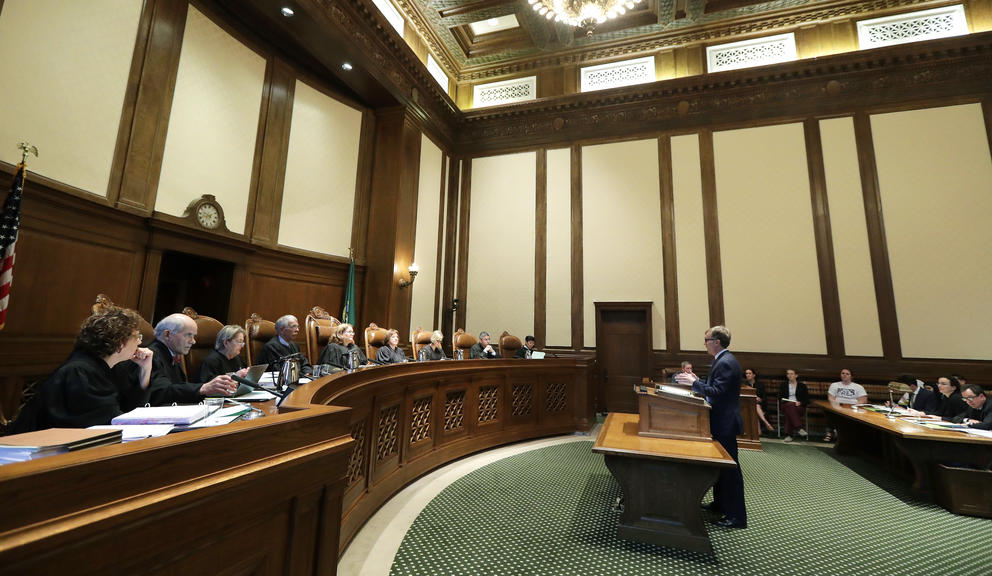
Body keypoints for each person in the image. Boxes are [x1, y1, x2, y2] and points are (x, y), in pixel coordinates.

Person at [11, 306, 154, 432]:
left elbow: (130, 411)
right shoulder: (80, 371)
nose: (140, 342)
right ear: (120, 343)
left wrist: (145, 370)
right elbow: (106, 423)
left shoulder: (109, 367)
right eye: (137, 337)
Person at [675, 325, 747, 529]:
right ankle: (720, 504)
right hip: (720, 421)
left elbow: (717, 392)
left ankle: (736, 517)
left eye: (706, 340)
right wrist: (697, 380)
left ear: (717, 342)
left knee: (731, 471)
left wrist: (694, 383)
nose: (704, 343)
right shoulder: (722, 360)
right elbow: (715, 386)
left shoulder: (726, 362)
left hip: (724, 423)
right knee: (720, 468)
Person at [148, 314, 236, 405]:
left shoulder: (171, 353)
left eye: (193, 336)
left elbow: (179, 389)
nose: (193, 341)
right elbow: (161, 392)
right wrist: (203, 388)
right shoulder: (151, 356)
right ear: (167, 334)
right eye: (188, 335)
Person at [197, 324, 251, 395]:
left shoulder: (237, 358)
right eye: (239, 341)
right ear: (226, 343)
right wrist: (235, 377)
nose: (242, 345)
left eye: (242, 342)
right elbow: (209, 389)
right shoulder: (211, 361)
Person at [825, 368, 867, 442]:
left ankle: (845, 436)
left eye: (847, 374)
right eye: (843, 373)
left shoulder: (858, 387)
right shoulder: (834, 385)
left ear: (851, 376)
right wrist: (837, 406)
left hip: (852, 408)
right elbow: (830, 398)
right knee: (830, 412)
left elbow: (863, 400)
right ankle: (829, 433)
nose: (844, 375)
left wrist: (853, 406)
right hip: (837, 407)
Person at [779, 369, 808, 442]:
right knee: (790, 405)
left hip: (799, 407)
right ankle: (799, 428)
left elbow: (807, 399)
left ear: (796, 375)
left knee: (790, 411)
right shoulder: (783, 385)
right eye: (788, 374)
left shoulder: (802, 386)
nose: (789, 375)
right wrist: (784, 400)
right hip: (785, 405)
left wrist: (800, 402)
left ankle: (789, 435)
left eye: (791, 374)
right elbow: (779, 397)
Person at [745, 369, 774, 434]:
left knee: (755, 407)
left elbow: (764, 398)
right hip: (747, 406)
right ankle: (766, 422)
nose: (748, 375)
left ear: (754, 375)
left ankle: (758, 431)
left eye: (749, 373)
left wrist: (760, 399)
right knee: (755, 407)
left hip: (760, 406)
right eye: (746, 373)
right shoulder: (744, 385)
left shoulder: (760, 385)